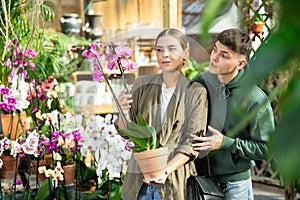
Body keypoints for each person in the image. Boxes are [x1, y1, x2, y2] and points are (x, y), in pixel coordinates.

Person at [117, 28, 208, 200]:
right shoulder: (142, 85)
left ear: (185, 52)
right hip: (139, 181)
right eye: (160, 49)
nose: (165, 54)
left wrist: (164, 170)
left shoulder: (196, 92)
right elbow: (127, 132)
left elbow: (192, 142)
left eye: (172, 49)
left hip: (174, 182)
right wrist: (122, 112)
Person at [192, 28, 275, 200]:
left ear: (241, 64)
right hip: (200, 182)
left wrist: (225, 143)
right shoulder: (201, 82)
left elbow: (266, 149)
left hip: (235, 187)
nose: (214, 58)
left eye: (224, 55)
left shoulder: (255, 99)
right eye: (215, 49)